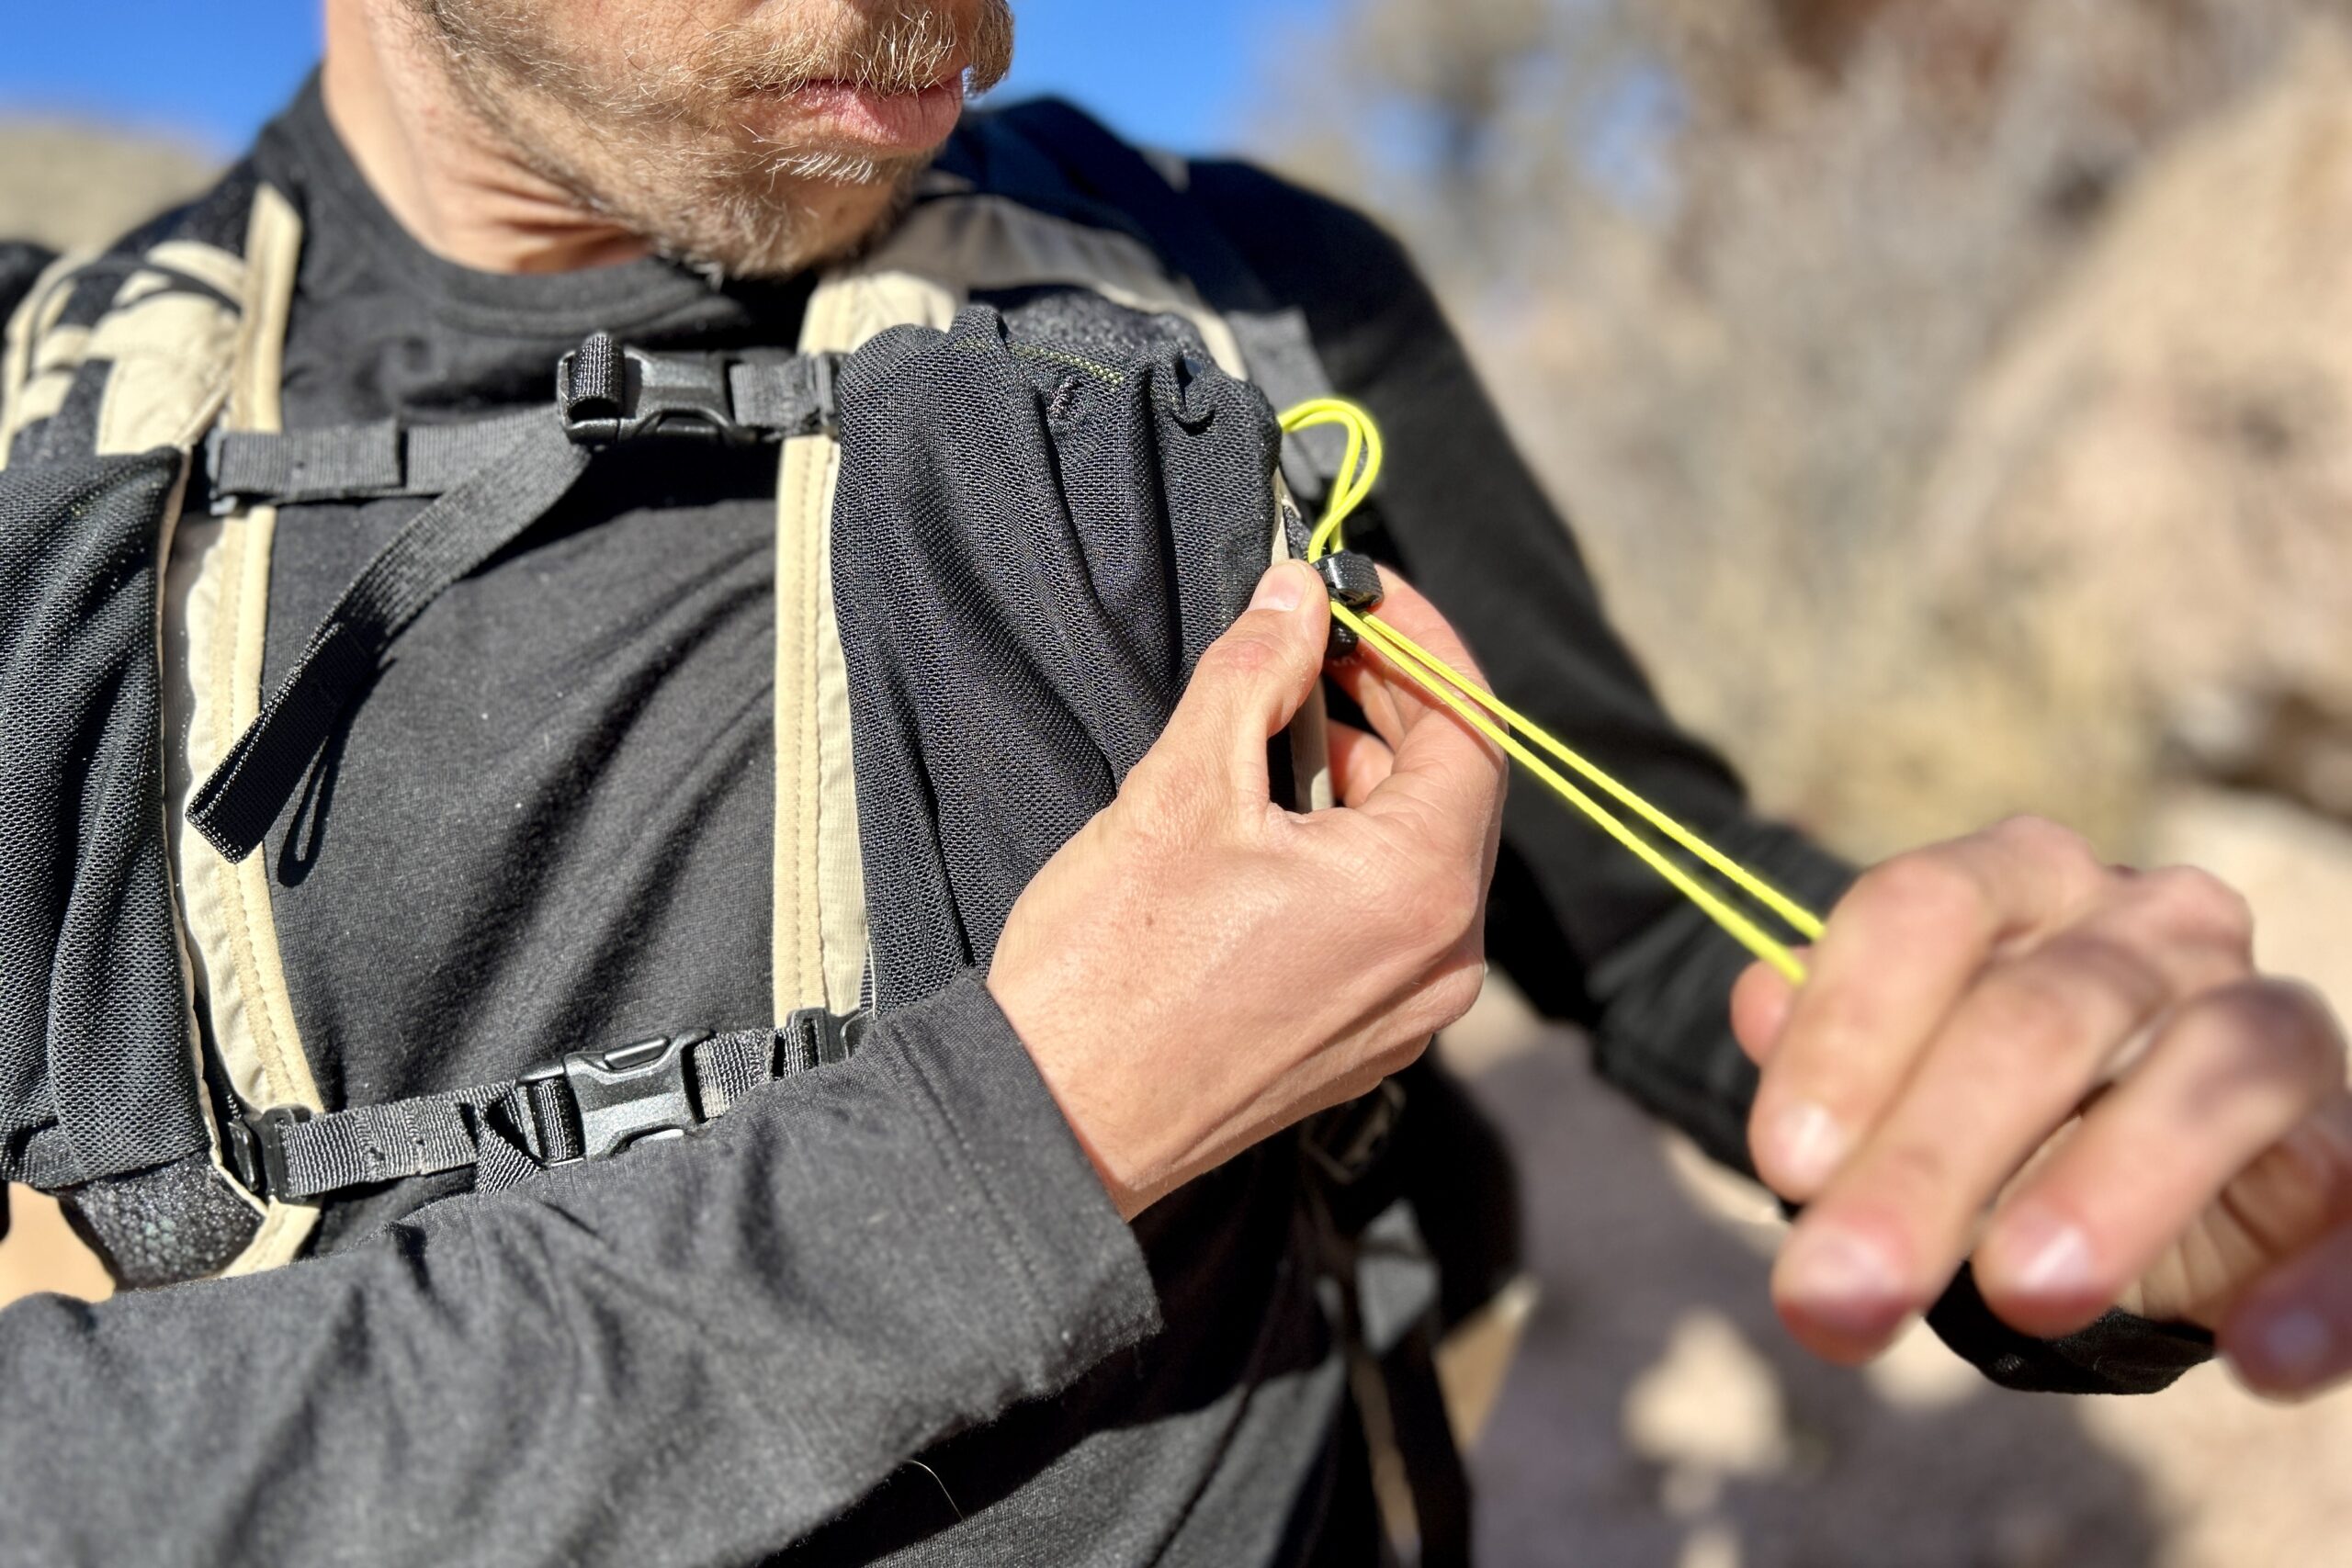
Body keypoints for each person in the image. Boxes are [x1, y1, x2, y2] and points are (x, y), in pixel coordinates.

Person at [0, 2, 2346, 1562]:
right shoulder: (48, 469)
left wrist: (2038, 1144)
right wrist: (1010, 1143)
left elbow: (1651, 920)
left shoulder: (1235, 305)